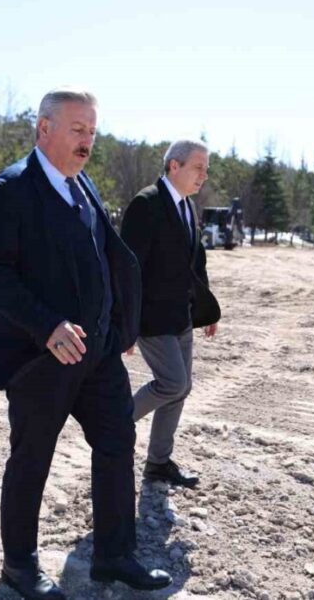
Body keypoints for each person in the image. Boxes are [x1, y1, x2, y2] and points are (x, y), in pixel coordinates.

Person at [0, 87, 172, 599]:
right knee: (32, 457)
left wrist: (120, 325)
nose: (88, 141)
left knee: (116, 444)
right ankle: (18, 567)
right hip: (44, 357)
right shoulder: (10, 189)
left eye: (92, 131)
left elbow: (106, 259)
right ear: (45, 128)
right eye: (78, 129)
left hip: (99, 355)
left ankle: (113, 555)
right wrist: (47, 326)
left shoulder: (82, 186)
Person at [120, 139, 221, 489]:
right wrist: (126, 324)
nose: (203, 176)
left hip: (181, 316)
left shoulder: (188, 207)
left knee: (182, 388)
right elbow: (128, 268)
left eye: (206, 170)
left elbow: (197, 261)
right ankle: (116, 422)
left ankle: (158, 464)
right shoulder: (146, 204)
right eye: (198, 167)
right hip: (151, 319)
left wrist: (206, 308)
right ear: (174, 166)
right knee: (172, 383)